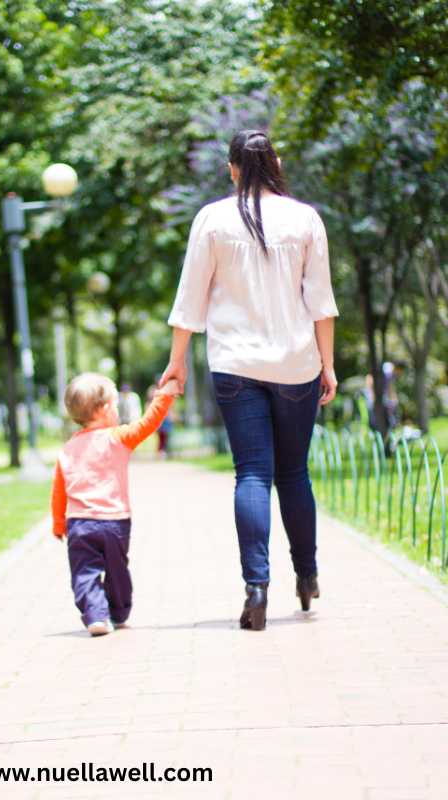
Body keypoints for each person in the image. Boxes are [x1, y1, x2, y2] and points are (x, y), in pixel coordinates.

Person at [160, 129, 339, 631]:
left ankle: (256, 588)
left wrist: (177, 362)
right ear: (275, 163)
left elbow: (189, 299)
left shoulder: (211, 219)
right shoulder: (305, 218)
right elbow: (321, 303)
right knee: (293, 474)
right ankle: (307, 575)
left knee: (253, 475)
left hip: (235, 365)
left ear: (233, 169)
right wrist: (327, 364)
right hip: (296, 364)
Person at [51, 372, 180, 636]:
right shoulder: (118, 437)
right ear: (105, 408)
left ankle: (95, 615)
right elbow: (149, 423)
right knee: (117, 569)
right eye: (115, 404)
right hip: (114, 523)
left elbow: (59, 491)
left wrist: (58, 523)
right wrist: (165, 395)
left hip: (79, 524)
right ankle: (118, 612)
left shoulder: (67, 448)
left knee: (84, 572)